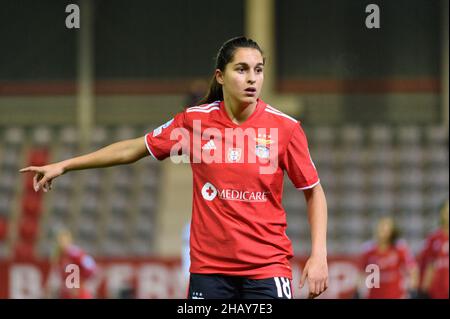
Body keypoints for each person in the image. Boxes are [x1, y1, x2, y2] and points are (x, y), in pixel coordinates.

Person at [20, 36, 328, 299]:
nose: (252, 78)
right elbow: (133, 148)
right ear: (220, 76)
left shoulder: (285, 128)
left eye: (258, 70)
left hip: (266, 268)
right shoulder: (194, 122)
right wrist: (66, 165)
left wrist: (319, 255)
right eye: (242, 69)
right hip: (209, 272)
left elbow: (313, 192)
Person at [359, 217, 418, 299]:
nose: (382, 230)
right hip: (374, 295)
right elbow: (362, 274)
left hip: (396, 295)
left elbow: (412, 269)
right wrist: (359, 292)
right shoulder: (369, 250)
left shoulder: (400, 248)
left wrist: (412, 290)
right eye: (381, 227)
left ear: (392, 232)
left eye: (385, 228)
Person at [47, 228, 97, 299]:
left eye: (64, 240)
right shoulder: (58, 255)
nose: (61, 242)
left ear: (69, 240)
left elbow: (91, 266)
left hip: (78, 294)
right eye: (60, 240)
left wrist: (79, 283)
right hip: (65, 293)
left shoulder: (75, 253)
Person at [417, 199, 449, 299]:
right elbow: (428, 265)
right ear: (442, 213)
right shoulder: (433, 239)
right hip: (437, 291)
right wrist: (424, 289)